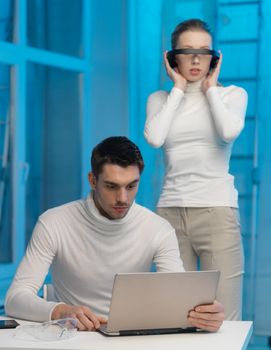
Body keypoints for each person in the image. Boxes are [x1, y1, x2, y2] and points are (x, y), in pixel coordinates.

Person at [5, 136, 224, 332]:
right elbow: (15, 298)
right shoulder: (53, 222)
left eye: (131, 186)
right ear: (92, 180)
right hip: (75, 337)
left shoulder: (158, 229)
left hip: (133, 338)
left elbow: (179, 299)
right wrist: (59, 311)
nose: (122, 198)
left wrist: (206, 315)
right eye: (111, 186)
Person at [144, 19, 248, 321]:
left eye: (203, 52)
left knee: (224, 316)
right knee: (177, 314)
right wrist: (177, 90)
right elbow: (154, 138)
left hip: (216, 212)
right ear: (172, 57)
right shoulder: (160, 99)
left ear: (214, 57)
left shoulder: (232, 95)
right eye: (187, 51)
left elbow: (228, 132)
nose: (195, 59)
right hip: (170, 213)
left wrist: (210, 90)